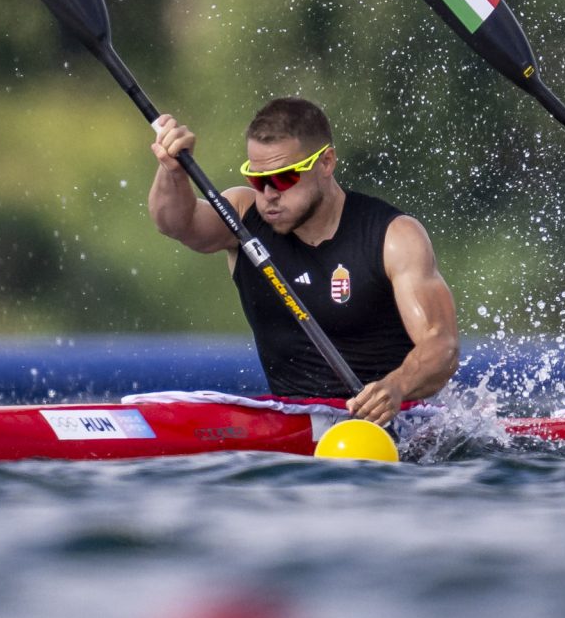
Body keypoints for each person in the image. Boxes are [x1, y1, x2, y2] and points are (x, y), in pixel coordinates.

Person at [148, 95, 458, 425]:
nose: (268, 194)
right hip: (292, 425)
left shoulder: (393, 237)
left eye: (283, 178)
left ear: (326, 162)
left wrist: (394, 388)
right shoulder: (242, 216)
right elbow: (176, 223)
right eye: (257, 179)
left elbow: (442, 345)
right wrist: (173, 171)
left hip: (388, 427)